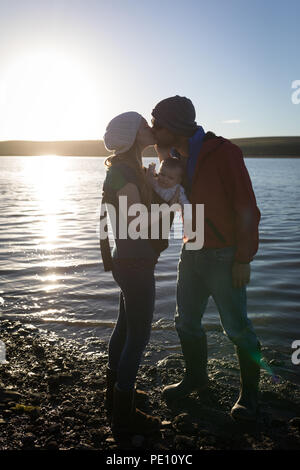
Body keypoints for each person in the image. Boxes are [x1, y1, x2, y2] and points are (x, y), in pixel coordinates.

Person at [151, 95, 262, 421]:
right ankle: (196, 378)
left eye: (157, 123)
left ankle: (250, 396)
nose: (153, 129)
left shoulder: (225, 153)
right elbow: (173, 203)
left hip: (226, 256)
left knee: (237, 329)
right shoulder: (173, 157)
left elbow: (247, 208)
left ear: (174, 125)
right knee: (185, 322)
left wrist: (243, 258)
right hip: (192, 251)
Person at [101, 111, 176, 440]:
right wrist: (168, 202)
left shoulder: (125, 169)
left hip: (126, 261)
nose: (150, 128)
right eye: (144, 125)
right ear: (133, 135)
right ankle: (123, 414)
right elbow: (135, 224)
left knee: (125, 325)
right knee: (139, 336)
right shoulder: (126, 174)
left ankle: (115, 389)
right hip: (134, 265)